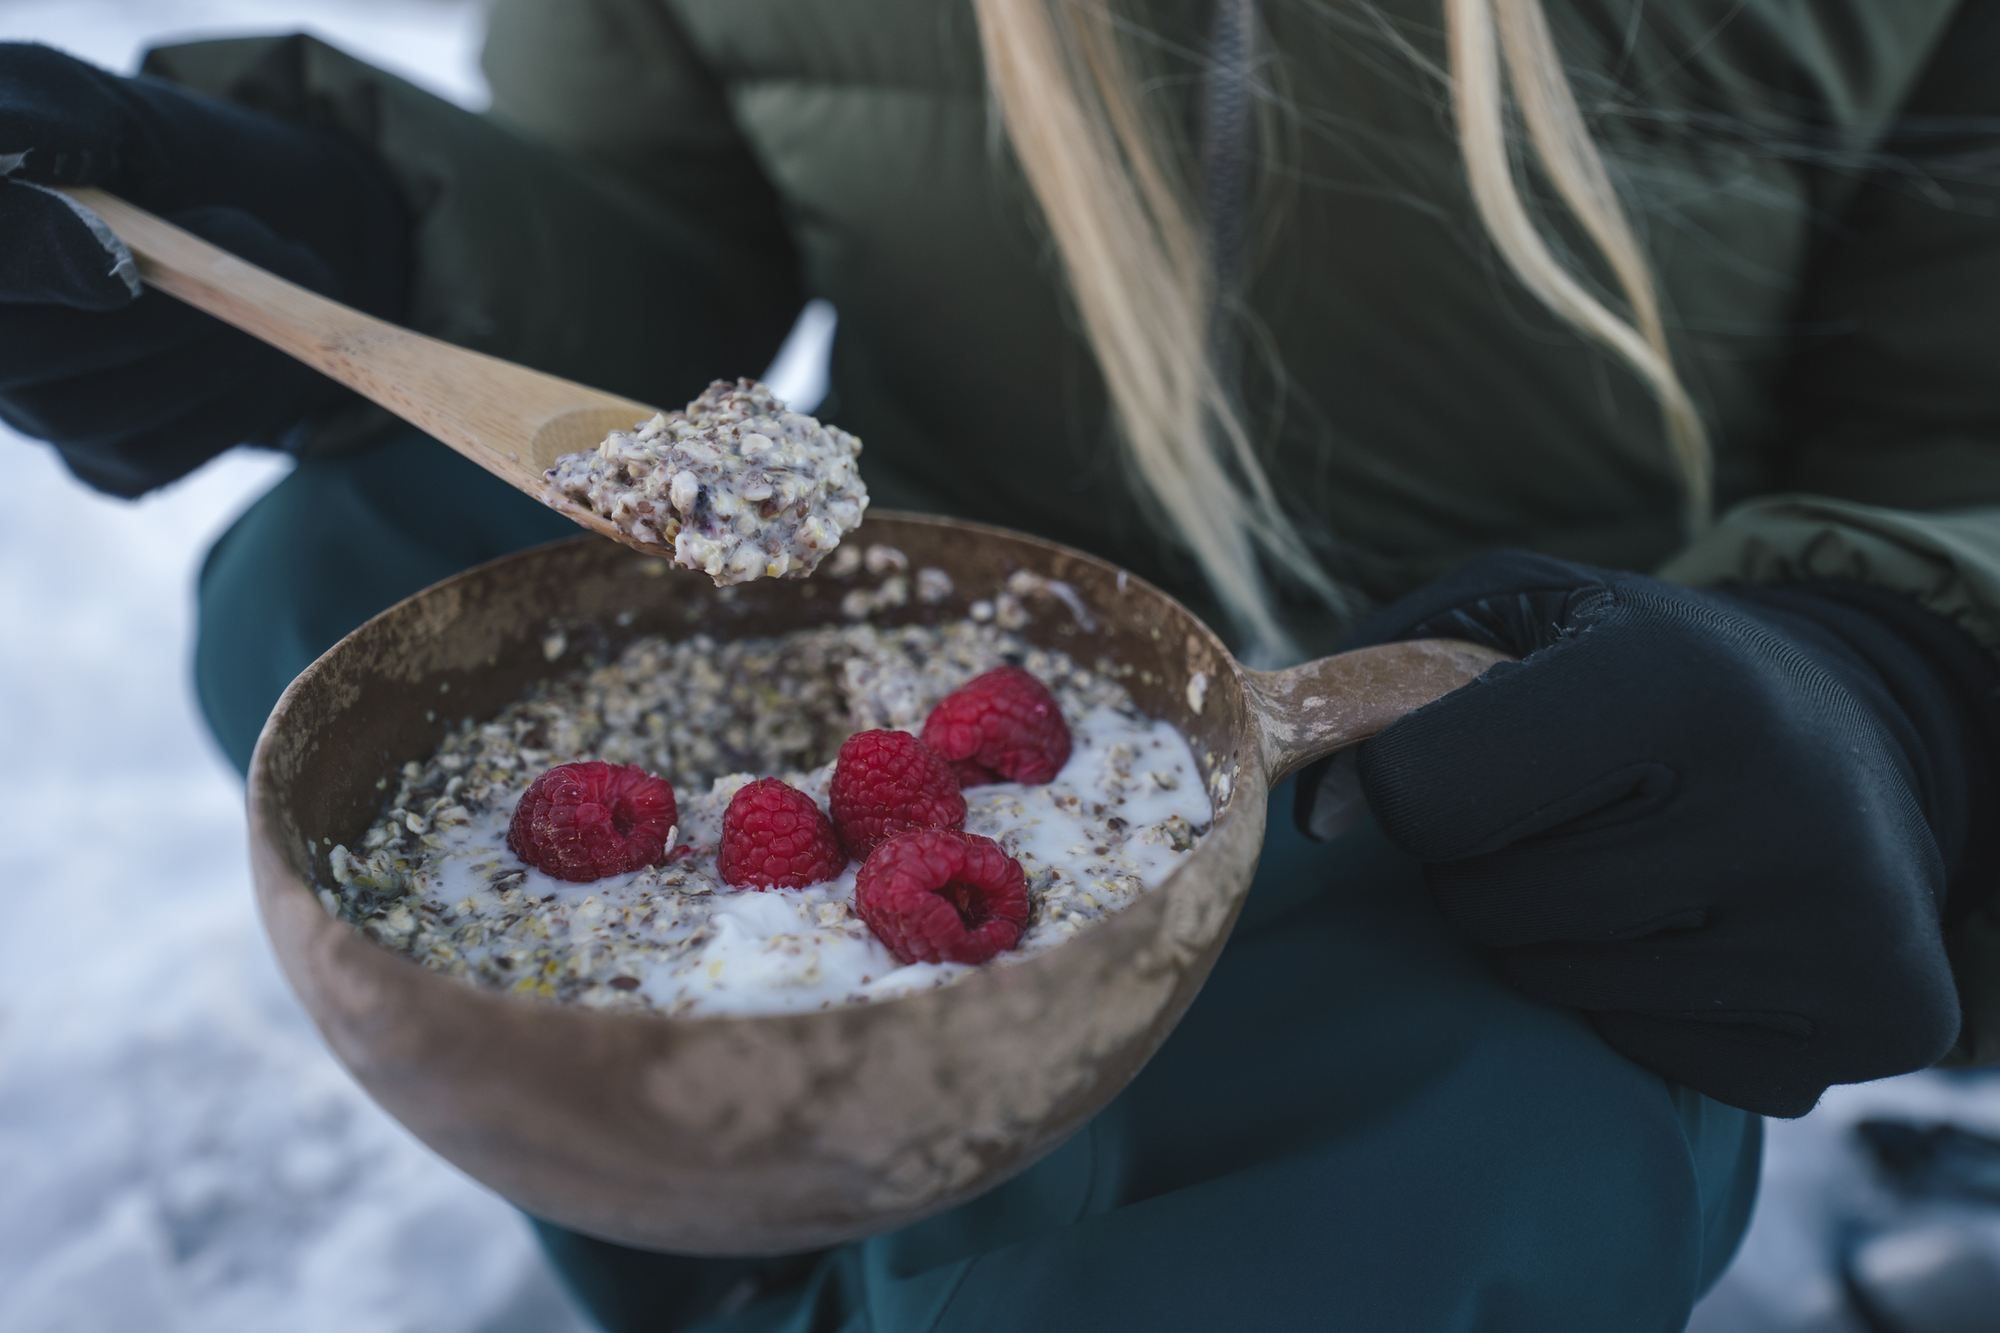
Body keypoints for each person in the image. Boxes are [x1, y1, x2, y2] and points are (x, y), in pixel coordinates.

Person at [4, 1, 1999, 1327]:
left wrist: (1899, 679)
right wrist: (353, 228)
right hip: (905, 640)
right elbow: (649, 218)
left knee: (1444, 1140)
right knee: (355, 580)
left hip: (1522, 745)